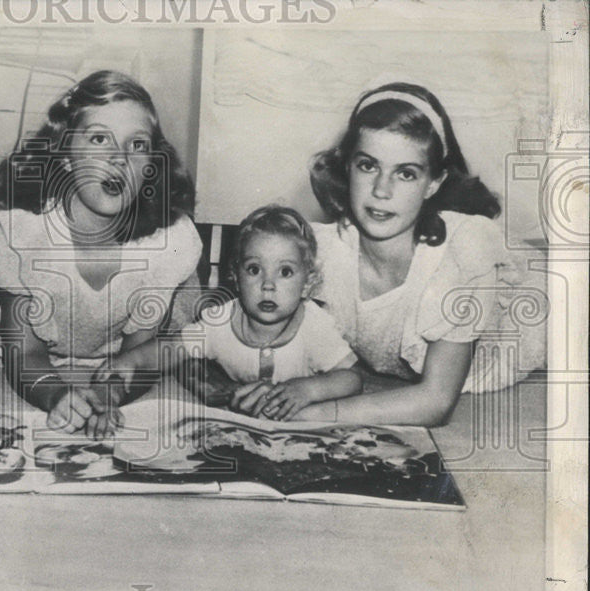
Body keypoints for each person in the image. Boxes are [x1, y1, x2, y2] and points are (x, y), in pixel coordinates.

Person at [304, 82, 546, 426]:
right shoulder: (325, 250)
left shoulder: (462, 259)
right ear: (347, 168)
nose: (381, 190)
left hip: (549, 313)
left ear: (433, 183)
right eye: (368, 166)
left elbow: (436, 402)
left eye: (405, 173)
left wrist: (318, 414)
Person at [0, 70, 203, 439]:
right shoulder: (19, 232)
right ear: (65, 154)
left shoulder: (165, 243)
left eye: (137, 145)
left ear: (150, 165)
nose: (119, 159)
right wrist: (57, 396)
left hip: (114, 378)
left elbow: (142, 354)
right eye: (100, 138)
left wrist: (109, 393)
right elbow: (24, 356)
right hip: (30, 379)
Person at [103, 206, 362, 422]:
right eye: (254, 269)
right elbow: (172, 347)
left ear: (308, 282)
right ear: (236, 277)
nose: (267, 284)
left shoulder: (313, 324)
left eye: (285, 272)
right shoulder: (220, 322)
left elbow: (352, 378)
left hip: (299, 423)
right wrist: (131, 361)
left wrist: (308, 389)